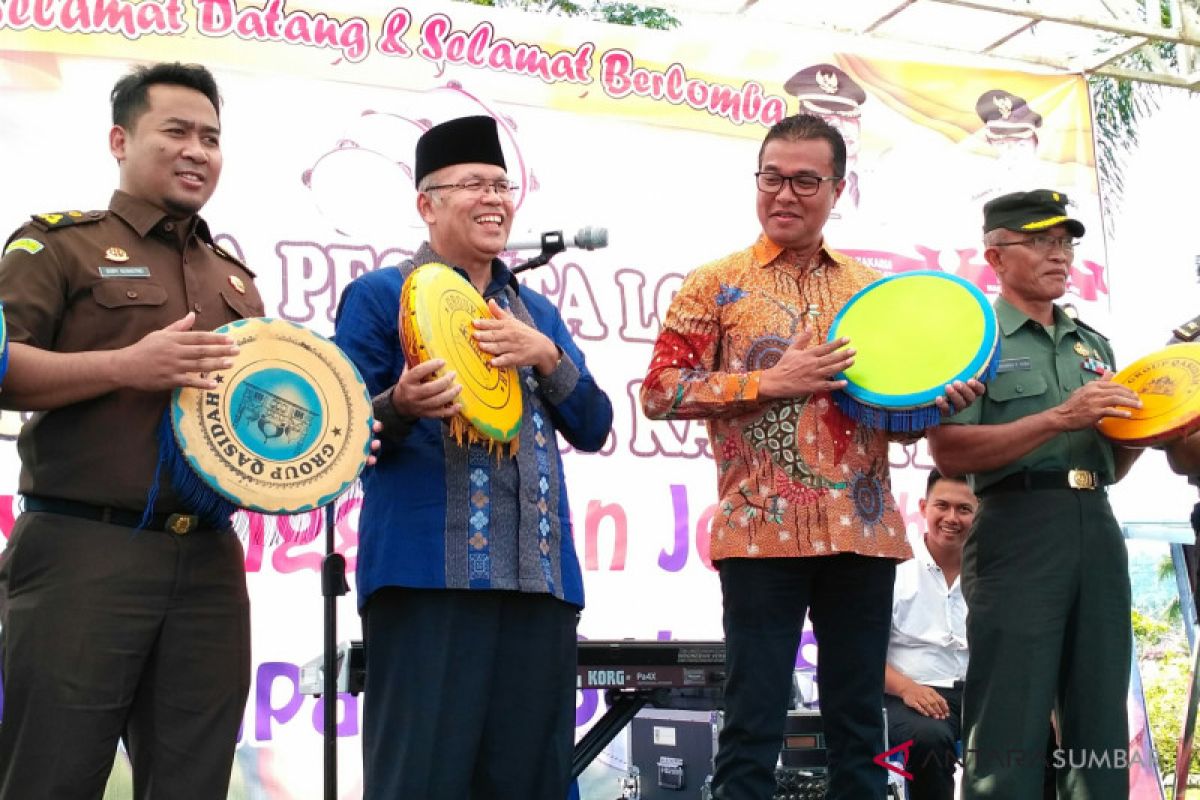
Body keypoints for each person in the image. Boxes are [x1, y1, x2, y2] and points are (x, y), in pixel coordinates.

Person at [639, 113, 980, 800]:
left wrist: (934, 404)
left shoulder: (871, 291)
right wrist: (769, 381)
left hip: (862, 532)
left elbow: (885, 414)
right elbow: (658, 393)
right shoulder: (714, 284)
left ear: (837, 188)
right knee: (753, 719)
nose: (784, 195)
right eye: (772, 178)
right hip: (760, 532)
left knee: (860, 725)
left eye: (804, 181)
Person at [0, 62, 262, 798]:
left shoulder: (235, 280)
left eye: (211, 137)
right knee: (52, 777)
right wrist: (126, 365)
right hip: (85, 552)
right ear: (121, 139)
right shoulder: (57, 247)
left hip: (210, 563)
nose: (197, 150)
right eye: (175, 131)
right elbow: (1, 367)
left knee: (193, 783)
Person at [333, 114, 613, 800]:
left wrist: (547, 357)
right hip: (431, 580)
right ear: (427, 204)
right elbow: (337, 437)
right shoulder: (380, 296)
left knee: (532, 782)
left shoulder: (535, 311)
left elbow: (595, 424)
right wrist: (398, 403)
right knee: (423, 779)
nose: (494, 199)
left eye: (501, 185)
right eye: (472, 186)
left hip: (539, 584)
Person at [927, 189, 1142, 799]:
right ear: (995, 255)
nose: (1060, 255)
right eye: (1042, 241)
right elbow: (952, 453)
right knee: (1010, 714)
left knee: (1098, 709)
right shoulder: (975, 338)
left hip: (1096, 522)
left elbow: (1114, 463)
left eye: (1066, 242)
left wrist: (1147, 429)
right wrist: (1059, 418)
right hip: (1016, 527)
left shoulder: (1091, 345)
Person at [884, 470, 975, 800]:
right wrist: (907, 688)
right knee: (928, 740)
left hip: (981, 695)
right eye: (942, 506)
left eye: (964, 509)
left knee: (1040, 735)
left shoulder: (994, 573)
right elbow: (862, 658)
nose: (952, 518)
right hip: (907, 696)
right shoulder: (892, 569)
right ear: (923, 507)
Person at [783, 63, 866, 207]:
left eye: (846, 116)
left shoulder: (879, 180)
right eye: (826, 118)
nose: (839, 127)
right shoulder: (777, 182)